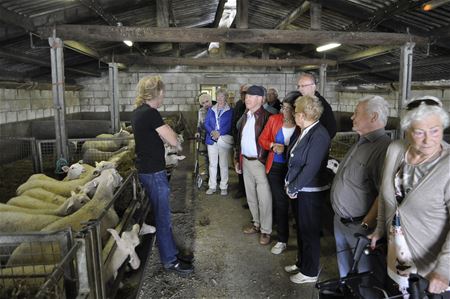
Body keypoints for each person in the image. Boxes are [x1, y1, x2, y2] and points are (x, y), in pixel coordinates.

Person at [370, 96, 450, 297]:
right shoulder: (395, 149)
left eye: (435, 130)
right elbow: (384, 193)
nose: (428, 139)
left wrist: (445, 269)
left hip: (431, 269)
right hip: (395, 255)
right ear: (407, 130)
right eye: (419, 132)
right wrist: (380, 228)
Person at [131, 75, 193, 275]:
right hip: (154, 173)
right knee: (163, 217)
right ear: (156, 94)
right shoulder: (151, 113)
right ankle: (170, 261)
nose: (164, 96)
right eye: (163, 92)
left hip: (146, 170)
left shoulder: (138, 112)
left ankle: (172, 252)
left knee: (161, 214)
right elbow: (173, 139)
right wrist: (175, 141)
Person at [330, 95, 391, 297]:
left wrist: (366, 224)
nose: (352, 116)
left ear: (373, 117)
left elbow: (384, 193)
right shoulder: (361, 140)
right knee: (345, 272)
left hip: (360, 227)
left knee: (366, 277)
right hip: (341, 222)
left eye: (357, 112)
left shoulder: (383, 149)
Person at [283, 95, 331, 284]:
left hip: (310, 191)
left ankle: (310, 272)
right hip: (300, 189)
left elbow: (311, 167)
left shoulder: (319, 134)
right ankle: (302, 262)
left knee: (309, 230)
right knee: (302, 228)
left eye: (295, 112)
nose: (293, 116)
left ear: (302, 115)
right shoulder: (305, 130)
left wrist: (293, 186)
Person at [258, 91, 300, 254]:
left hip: (294, 169)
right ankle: (282, 239)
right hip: (275, 167)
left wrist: (287, 149)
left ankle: (301, 242)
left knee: (296, 205)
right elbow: (262, 139)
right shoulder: (273, 120)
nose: (284, 111)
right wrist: (272, 145)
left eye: (289, 108)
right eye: (283, 107)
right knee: (281, 203)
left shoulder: (301, 125)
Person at [235, 85, 272, 245]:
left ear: (260, 99)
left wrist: (264, 160)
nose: (246, 99)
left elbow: (270, 140)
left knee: (264, 198)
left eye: (250, 96)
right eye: (246, 96)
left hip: (259, 162)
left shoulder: (267, 117)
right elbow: (239, 139)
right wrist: (237, 158)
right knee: (251, 196)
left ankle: (266, 230)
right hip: (246, 160)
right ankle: (256, 223)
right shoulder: (246, 116)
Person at [204, 88, 234, 195]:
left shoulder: (230, 111)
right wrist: (212, 132)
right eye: (218, 96)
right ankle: (212, 186)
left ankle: (223, 186)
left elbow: (230, 125)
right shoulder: (211, 109)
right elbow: (206, 123)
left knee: (223, 164)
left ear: (225, 97)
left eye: (222, 96)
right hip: (211, 139)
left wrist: (219, 133)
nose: (219, 98)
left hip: (223, 139)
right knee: (212, 164)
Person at [296, 73, 337, 139]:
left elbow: (332, 128)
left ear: (313, 86)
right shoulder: (303, 101)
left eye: (303, 86)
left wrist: (319, 142)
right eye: (299, 86)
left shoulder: (321, 104)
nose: (300, 89)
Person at [232, 84, 249, 199]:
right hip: (238, 139)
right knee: (239, 165)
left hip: (247, 141)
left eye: (245, 93)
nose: (243, 95)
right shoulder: (238, 104)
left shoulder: (250, 106)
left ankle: (247, 192)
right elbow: (235, 122)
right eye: (242, 93)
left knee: (247, 168)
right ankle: (241, 189)